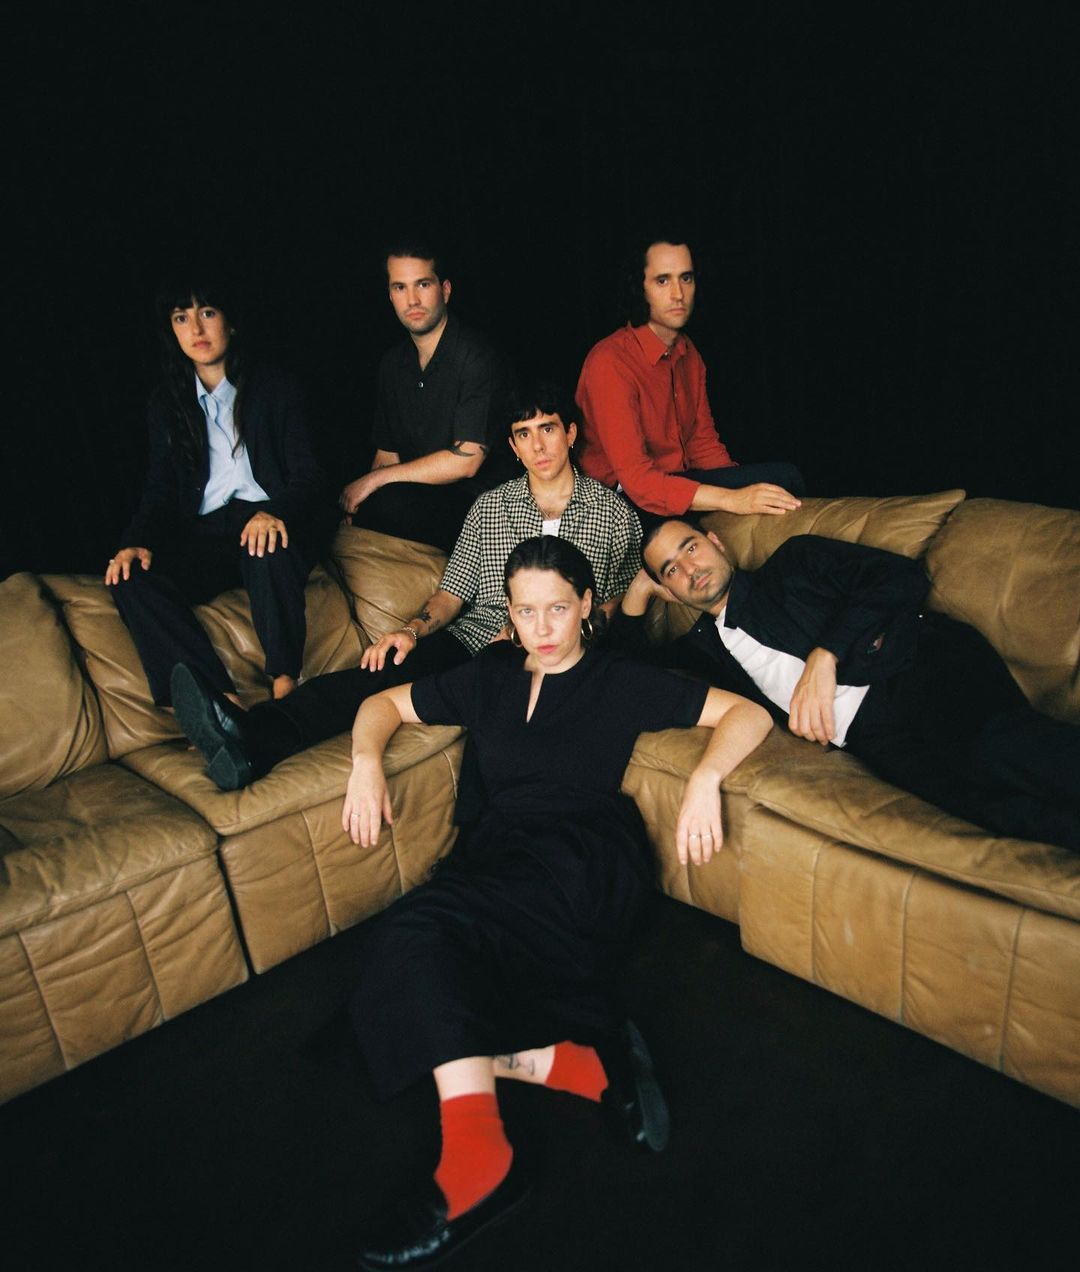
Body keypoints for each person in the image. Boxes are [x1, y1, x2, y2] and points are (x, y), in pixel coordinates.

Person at [345, 537, 772, 1268]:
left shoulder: (620, 679)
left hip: (582, 857)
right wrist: (364, 764)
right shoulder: (489, 677)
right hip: (500, 856)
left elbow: (747, 715)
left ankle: (481, 1163)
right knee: (389, 990)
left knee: (418, 936)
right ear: (508, 615)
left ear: (585, 606)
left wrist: (705, 781)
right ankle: (570, 1065)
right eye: (525, 611)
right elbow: (381, 703)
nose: (542, 628)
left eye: (557, 609)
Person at [170, 383, 642, 790]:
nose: (538, 446)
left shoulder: (614, 514)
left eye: (548, 429)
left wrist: (552, 640)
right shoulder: (490, 507)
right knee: (379, 673)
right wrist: (411, 631)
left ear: (570, 434)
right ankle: (251, 738)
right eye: (524, 433)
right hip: (474, 641)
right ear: (513, 446)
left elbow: (612, 607)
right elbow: (451, 594)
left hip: (556, 653)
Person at [614, 517, 1080, 851]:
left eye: (691, 547)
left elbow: (900, 577)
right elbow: (622, 669)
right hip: (876, 740)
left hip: (918, 670)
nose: (690, 569)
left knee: (1000, 750)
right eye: (670, 570)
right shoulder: (706, 649)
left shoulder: (795, 561)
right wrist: (638, 593)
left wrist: (826, 654)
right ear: (670, 591)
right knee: (994, 810)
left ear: (715, 541)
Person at [106, 279, 330, 707]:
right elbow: (159, 491)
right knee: (131, 577)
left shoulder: (275, 389)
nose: (196, 329)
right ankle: (218, 701)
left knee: (265, 544)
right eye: (181, 318)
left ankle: (285, 685)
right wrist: (136, 541)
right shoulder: (166, 404)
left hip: (267, 521)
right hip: (205, 536)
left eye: (207, 313)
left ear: (230, 321)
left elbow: (310, 475)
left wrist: (275, 513)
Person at [575, 236, 806, 519]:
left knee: (779, 483)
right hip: (621, 503)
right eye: (663, 281)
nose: (678, 294)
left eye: (686, 278)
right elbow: (638, 481)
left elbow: (703, 445)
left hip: (679, 485)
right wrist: (731, 499)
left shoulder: (688, 353)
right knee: (785, 477)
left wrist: (745, 493)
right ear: (639, 288)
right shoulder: (610, 361)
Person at [338, 243, 510, 552]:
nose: (412, 300)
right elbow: (386, 455)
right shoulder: (392, 364)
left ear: (445, 290)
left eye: (423, 284)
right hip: (420, 500)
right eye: (400, 287)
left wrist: (376, 483)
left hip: (481, 504)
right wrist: (361, 501)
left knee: (385, 502)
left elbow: (467, 462)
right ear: (390, 295)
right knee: (350, 505)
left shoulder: (474, 355)